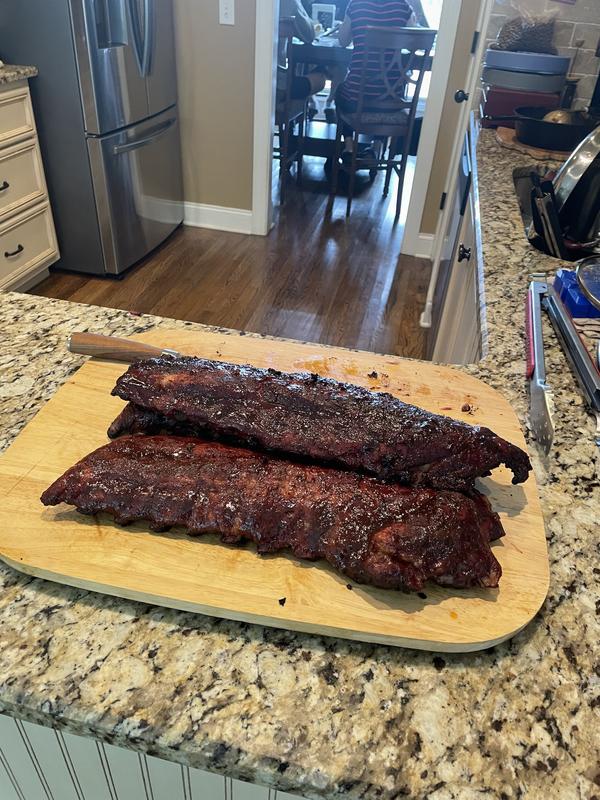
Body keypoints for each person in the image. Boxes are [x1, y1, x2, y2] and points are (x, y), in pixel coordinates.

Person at [335, 0, 417, 165]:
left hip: (357, 99)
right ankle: (376, 147)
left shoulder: (356, 5)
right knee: (386, 93)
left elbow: (343, 41)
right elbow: (414, 43)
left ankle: (349, 148)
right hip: (392, 101)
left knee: (340, 92)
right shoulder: (403, 7)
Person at [278, 0, 327, 105]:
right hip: (278, 86)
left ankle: (313, 104)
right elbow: (309, 35)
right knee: (320, 79)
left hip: (252, 80)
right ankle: (319, 103)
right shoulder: (290, 3)